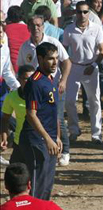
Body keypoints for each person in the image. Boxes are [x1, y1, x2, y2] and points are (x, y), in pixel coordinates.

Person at [18, 15, 72, 167]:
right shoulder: (25, 46)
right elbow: (21, 67)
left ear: (44, 26)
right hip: (35, 87)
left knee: (58, 117)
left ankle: (64, 150)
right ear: (28, 27)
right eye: (33, 25)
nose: (36, 28)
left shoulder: (53, 42)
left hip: (53, 85)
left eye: (39, 25)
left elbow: (66, 61)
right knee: (36, 115)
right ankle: (43, 146)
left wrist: (63, 81)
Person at [19, 43, 62, 200]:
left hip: (49, 139)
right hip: (36, 139)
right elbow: (31, 114)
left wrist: (56, 136)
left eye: (56, 58)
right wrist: (47, 138)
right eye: (51, 59)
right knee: (37, 185)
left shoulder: (50, 79)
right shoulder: (35, 82)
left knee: (46, 185)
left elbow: (53, 112)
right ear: (40, 58)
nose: (55, 62)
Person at [63, 1, 103, 144]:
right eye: (80, 12)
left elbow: (102, 50)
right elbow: (63, 50)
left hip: (91, 67)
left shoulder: (96, 28)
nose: (82, 15)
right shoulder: (69, 29)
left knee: (94, 101)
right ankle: (74, 130)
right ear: (76, 13)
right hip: (74, 67)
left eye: (85, 12)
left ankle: (96, 134)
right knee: (69, 101)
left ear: (89, 13)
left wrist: (94, 64)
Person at [1, 65, 36, 164]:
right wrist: (4, 136)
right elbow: (5, 118)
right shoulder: (11, 97)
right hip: (19, 142)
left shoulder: (41, 95)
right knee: (14, 174)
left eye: (32, 79)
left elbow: (54, 117)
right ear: (19, 79)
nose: (30, 82)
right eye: (26, 79)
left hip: (38, 142)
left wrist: (56, 138)